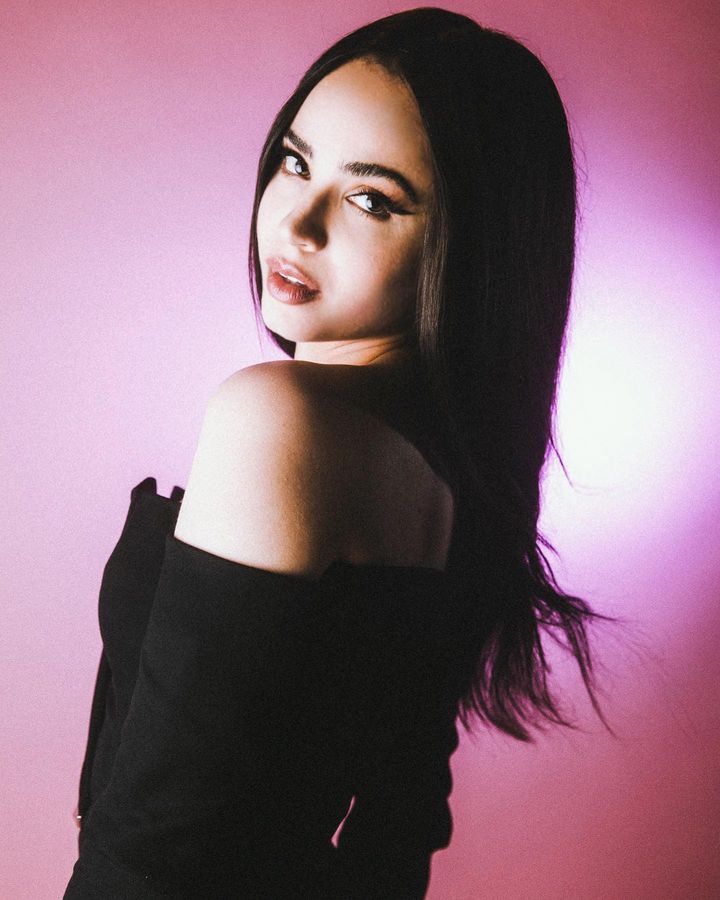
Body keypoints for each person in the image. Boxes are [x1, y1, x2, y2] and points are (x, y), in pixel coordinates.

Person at [64, 7, 619, 898]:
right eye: (294, 160)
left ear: (468, 245)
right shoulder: (460, 466)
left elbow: (149, 857)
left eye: (372, 198)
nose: (298, 222)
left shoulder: (276, 418)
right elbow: (398, 829)